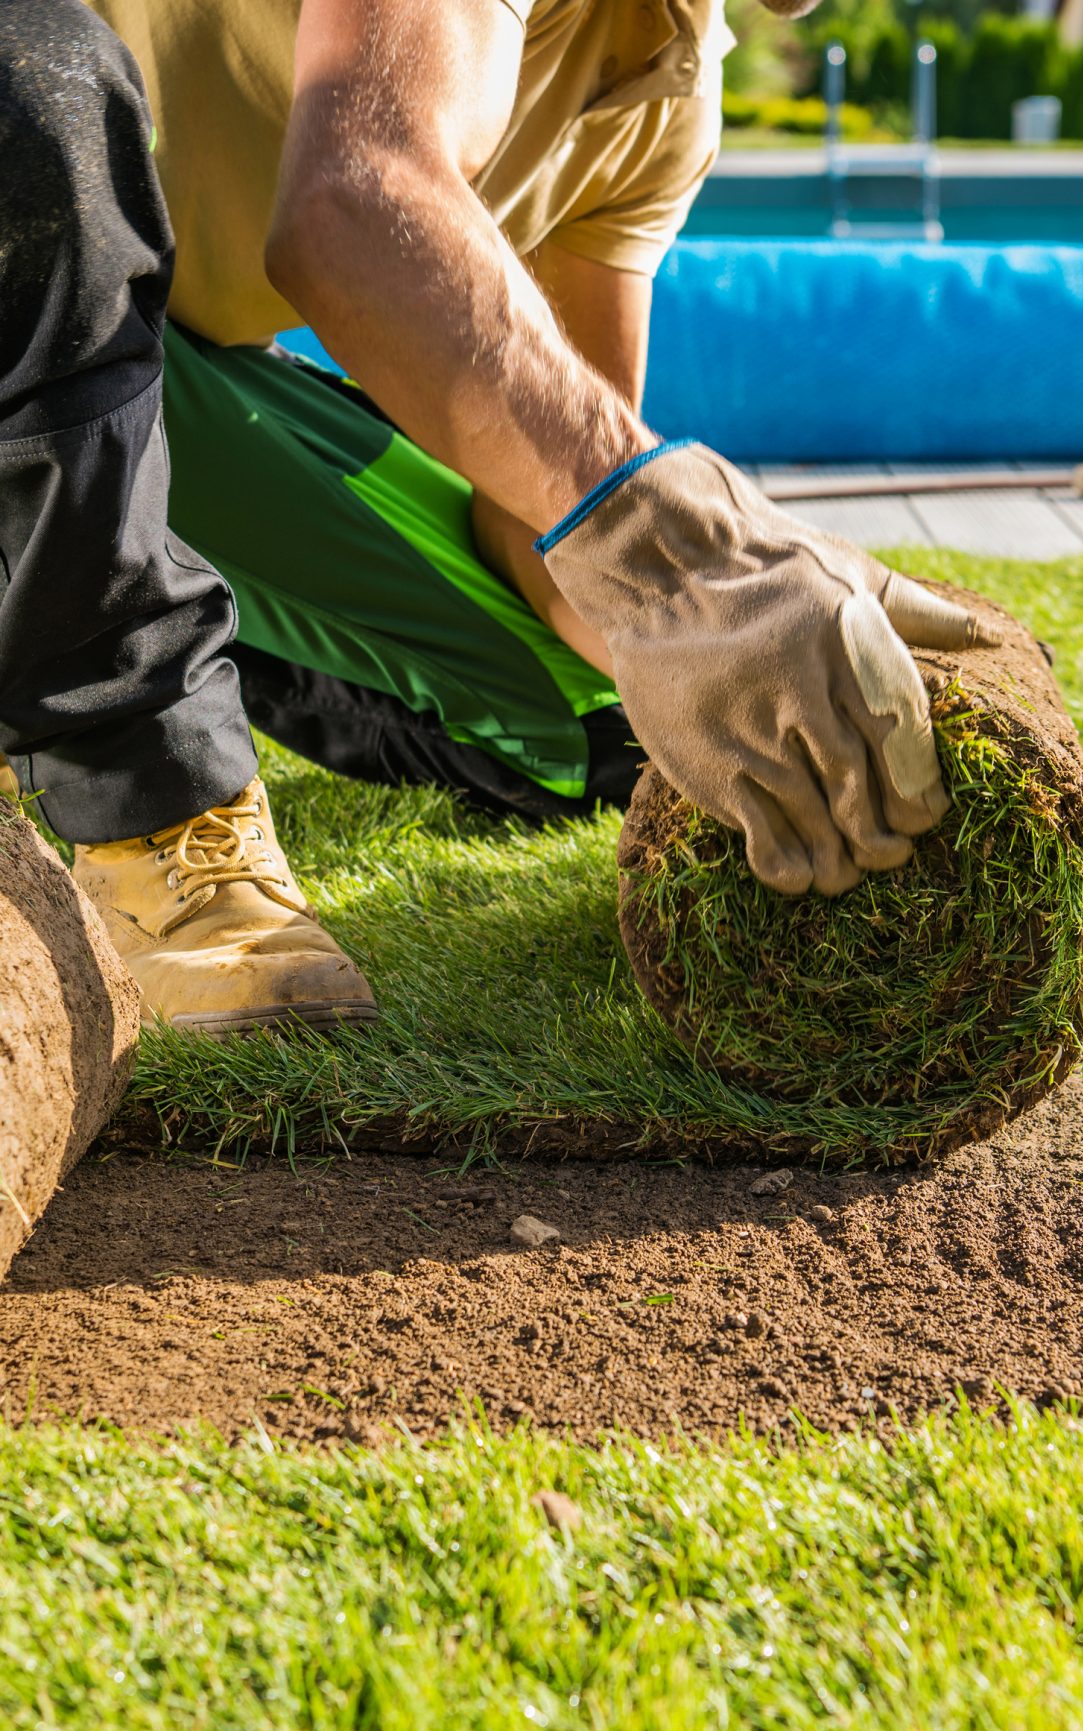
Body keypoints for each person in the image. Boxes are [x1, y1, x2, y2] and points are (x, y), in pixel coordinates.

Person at [0, 0, 975, 1036]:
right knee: (30, 71)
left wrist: (730, 615)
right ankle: (153, 802)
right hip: (33, 294)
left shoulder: (659, 96)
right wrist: (685, 552)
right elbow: (350, 210)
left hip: (135, 376)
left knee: (587, 727)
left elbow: (545, 519)